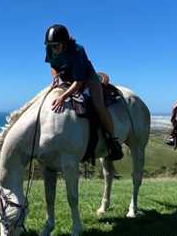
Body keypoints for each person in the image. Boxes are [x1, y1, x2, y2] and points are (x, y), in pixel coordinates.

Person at [44, 24, 123, 160]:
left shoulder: (78, 51)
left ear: (64, 43)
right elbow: (52, 66)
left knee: (99, 106)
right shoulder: (50, 48)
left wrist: (62, 97)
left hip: (87, 78)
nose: (53, 49)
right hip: (66, 77)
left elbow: (78, 82)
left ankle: (113, 141)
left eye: (56, 45)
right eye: (51, 46)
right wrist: (56, 77)